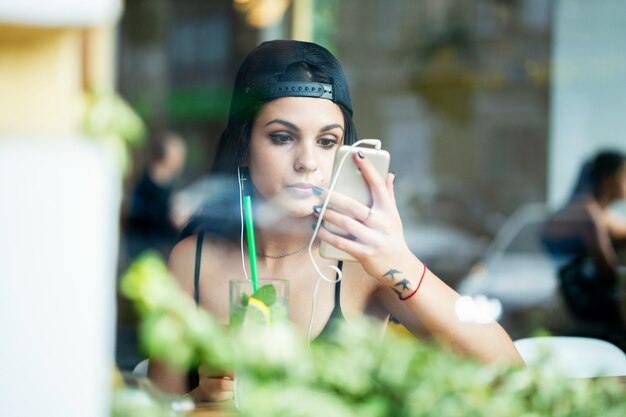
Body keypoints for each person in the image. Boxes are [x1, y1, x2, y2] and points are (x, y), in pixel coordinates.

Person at [147, 40, 523, 401]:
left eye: (327, 141)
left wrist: (400, 262)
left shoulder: (360, 263)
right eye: (282, 137)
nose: (307, 162)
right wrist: (200, 397)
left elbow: (510, 372)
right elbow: (156, 407)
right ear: (243, 146)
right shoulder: (192, 262)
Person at [541, 150, 626, 338]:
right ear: (608, 179)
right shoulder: (587, 212)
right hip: (571, 307)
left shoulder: (599, 213)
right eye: (624, 176)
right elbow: (608, 270)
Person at [125, 131, 188, 261]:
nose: (183, 158)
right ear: (168, 157)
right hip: (147, 258)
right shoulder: (144, 190)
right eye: (180, 154)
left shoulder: (171, 187)